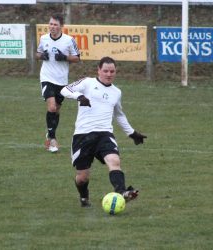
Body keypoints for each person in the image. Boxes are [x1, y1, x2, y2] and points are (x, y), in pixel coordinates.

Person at [60, 56, 147, 207]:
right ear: (98, 70)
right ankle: (84, 197)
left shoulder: (116, 92)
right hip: (83, 136)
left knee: (114, 161)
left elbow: (119, 114)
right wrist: (79, 96)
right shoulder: (87, 82)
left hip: (104, 134)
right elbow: (64, 90)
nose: (109, 74)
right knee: (82, 177)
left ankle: (121, 192)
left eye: (112, 71)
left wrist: (132, 133)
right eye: (105, 71)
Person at [37, 13, 80, 153]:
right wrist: (42, 56)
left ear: (61, 26)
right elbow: (37, 54)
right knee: (52, 107)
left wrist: (65, 57)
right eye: (50, 24)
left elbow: (77, 58)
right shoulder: (44, 38)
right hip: (46, 77)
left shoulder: (69, 40)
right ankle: (53, 139)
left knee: (56, 110)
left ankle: (50, 133)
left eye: (55, 25)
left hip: (61, 80)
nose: (52, 27)